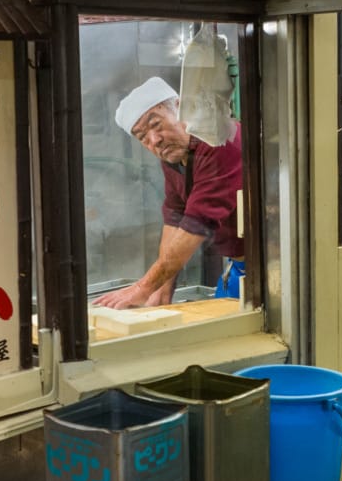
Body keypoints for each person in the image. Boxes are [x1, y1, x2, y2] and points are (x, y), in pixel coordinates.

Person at [92, 77, 244, 309]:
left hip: (279, 269)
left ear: (182, 108)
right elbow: (175, 219)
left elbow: (196, 225)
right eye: (142, 137)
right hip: (238, 268)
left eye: (156, 124)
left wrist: (143, 287)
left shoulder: (220, 141)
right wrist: (161, 293)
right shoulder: (176, 159)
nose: (154, 140)